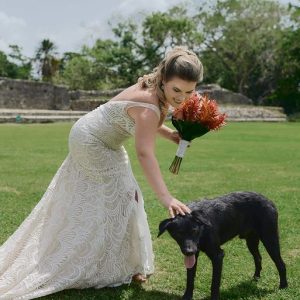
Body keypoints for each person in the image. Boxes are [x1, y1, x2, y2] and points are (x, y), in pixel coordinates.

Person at [0, 46, 203, 299]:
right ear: (164, 80)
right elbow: (144, 152)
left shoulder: (154, 90)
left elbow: (139, 119)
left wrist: (170, 134)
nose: (182, 97)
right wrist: (166, 197)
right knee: (121, 198)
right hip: (93, 141)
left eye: (189, 92)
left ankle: (128, 264)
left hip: (93, 134)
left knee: (128, 197)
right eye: (177, 90)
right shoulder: (151, 105)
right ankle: (109, 265)